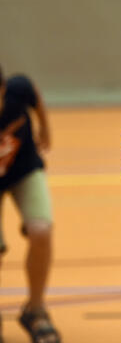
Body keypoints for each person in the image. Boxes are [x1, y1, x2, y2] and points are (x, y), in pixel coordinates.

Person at [0, 66, 61, 343]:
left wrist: (44, 127)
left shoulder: (17, 90)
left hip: (23, 168)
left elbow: (32, 93)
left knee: (41, 230)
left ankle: (35, 310)